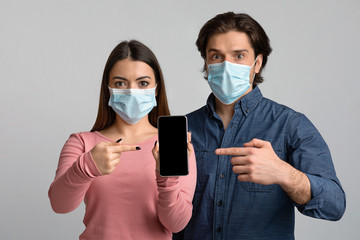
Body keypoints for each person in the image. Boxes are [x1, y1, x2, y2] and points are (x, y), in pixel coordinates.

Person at [173, 12, 346, 240]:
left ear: (258, 63)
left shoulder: (290, 125)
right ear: (206, 63)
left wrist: (283, 173)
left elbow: (335, 205)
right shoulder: (182, 131)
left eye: (239, 56)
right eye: (216, 56)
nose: (226, 65)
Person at [48, 40, 196, 240]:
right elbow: (60, 205)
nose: (131, 91)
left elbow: (176, 224)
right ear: (108, 88)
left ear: (156, 89)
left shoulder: (173, 144)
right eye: (120, 83)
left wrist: (166, 177)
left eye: (143, 83)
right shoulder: (82, 143)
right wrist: (86, 167)